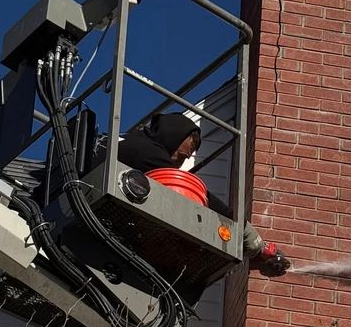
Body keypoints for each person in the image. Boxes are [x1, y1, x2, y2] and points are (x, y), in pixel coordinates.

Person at [117, 112, 291, 276]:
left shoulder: (130, 142)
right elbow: (200, 198)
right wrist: (244, 232)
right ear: (172, 136)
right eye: (182, 155)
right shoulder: (146, 150)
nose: (179, 163)